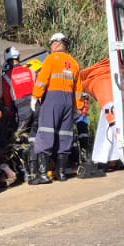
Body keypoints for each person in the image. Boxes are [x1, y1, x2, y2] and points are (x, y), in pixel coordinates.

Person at [30, 32, 81, 183]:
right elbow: (78, 89)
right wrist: (77, 108)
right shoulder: (74, 62)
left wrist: (35, 96)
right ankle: (61, 173)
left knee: (46, 133)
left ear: (56, 43)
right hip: (68, 102)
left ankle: (43, 174)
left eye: (52, 43)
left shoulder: (51, 59)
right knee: (64, 135)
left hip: (52, 99)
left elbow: (42, 79)